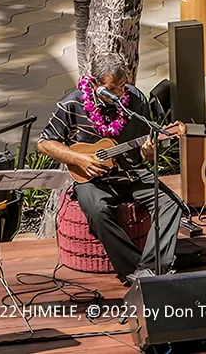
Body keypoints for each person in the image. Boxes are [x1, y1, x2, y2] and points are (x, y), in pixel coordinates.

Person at [37, 54, 184, 286]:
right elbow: (45, 143)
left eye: (122, 87)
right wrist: (80, 159)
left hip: (132, 174)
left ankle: (151, 268)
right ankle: (132, 269)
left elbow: (145, 154)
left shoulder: (135, 100)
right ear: (94, 83)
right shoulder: (72, 104)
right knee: (96, 210)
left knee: (170, 203)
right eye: (112, 89)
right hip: (93, 180)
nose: (119, 94)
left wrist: (148, 150)